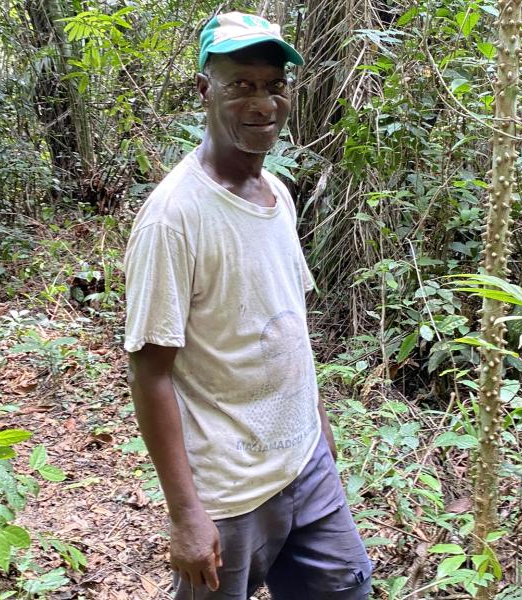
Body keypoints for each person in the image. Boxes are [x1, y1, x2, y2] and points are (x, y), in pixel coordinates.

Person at [123, 11, 372, 600]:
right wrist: (186, 516)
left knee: (345, 589)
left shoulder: (276, 194)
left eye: (274, 85)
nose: (263, 102)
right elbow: (149, 371)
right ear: (204, 91)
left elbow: (286, 324)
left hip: (305, 464)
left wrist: (320, 429)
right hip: (229, 490)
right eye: (241, 85)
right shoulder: (173, 219)